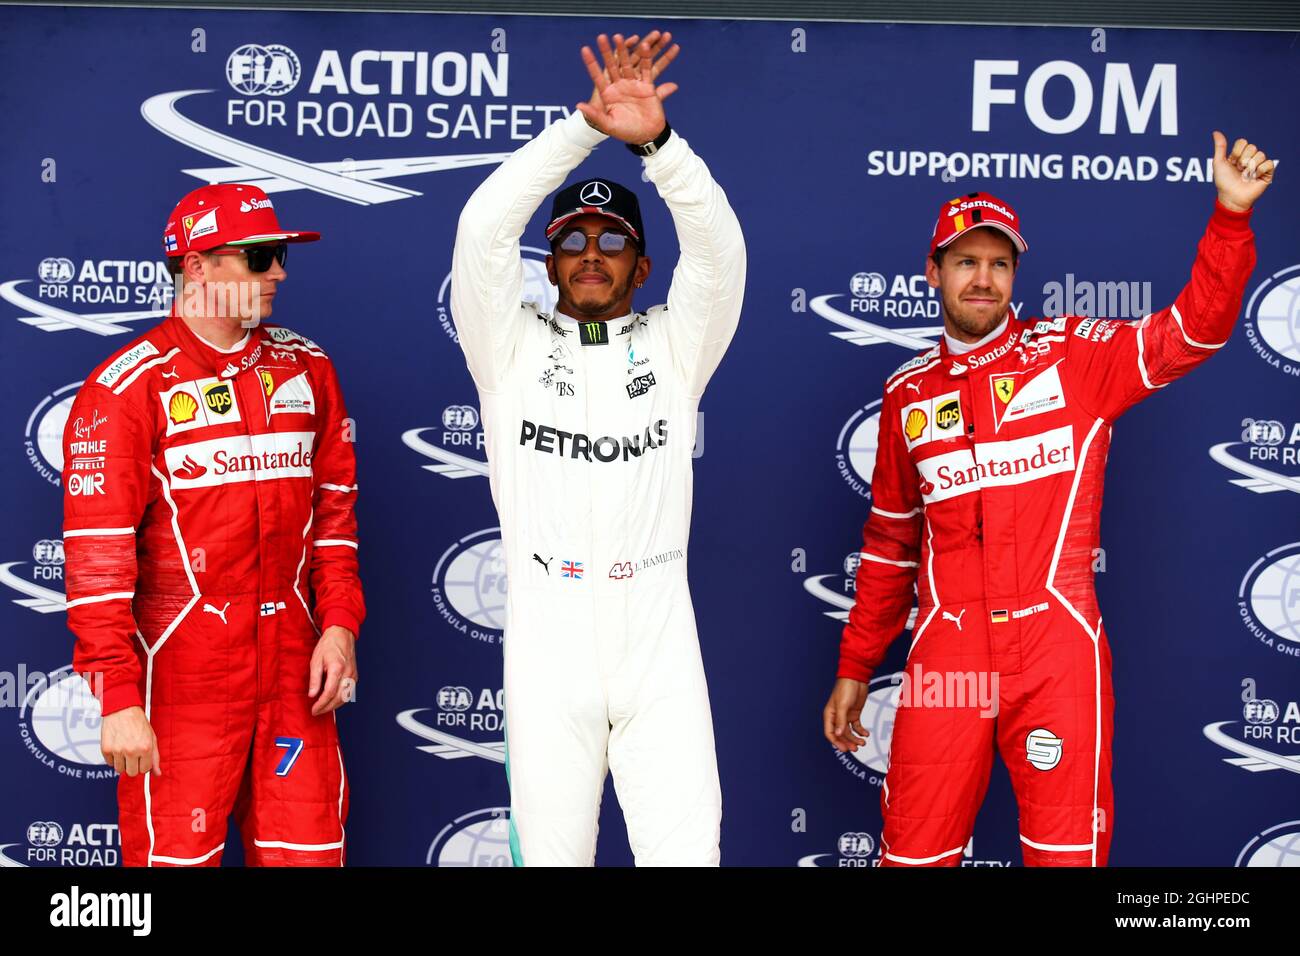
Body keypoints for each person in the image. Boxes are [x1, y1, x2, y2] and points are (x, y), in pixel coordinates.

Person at [823, 133, 1274, 867]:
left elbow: (1192, 331)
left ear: (1015, 274)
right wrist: (854, 666)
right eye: (966, 261)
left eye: (999, 264)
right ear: (933, 271)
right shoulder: (907, 393)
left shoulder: (1072, 356)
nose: (983, 279)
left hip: (1055, 644)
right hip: (950, 654)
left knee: (1067, 856)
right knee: (911, 853)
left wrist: (1229, 217)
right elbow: (889, 544)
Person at [451, 31, 745, 866]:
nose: (590, 256)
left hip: (657, 635)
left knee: (687, 854)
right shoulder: (505, 348)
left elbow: (721, 256)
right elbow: (481, 232)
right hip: (549, 640)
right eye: (573, 241)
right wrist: (582, 132)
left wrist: (657, 146)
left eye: (611, 242)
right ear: (549, 260)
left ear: (642, 267)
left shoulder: (676, 344)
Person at [63, 182, 365, 866]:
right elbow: (97, 565)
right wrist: (117, 695)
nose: (279, 273)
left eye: (281, 256)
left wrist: (341, 626)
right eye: (259, 258)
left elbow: (336, 523)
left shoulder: (308, 368)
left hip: (296, 675)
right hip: (181, 681)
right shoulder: (123, 390)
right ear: (197, 265)